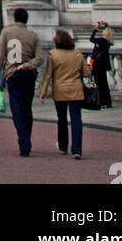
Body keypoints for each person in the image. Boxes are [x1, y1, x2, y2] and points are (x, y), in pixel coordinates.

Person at [0, 7, 45, 157]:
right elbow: (40, 58)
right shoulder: (33, 35)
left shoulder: (6, 33)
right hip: (28, 74)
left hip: (13, 74)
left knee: (17, 109)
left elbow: (0, 55)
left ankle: (24, 140)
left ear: (14, 19)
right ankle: (26, 137)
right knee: (27, 108)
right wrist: (29, 64)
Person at [39, 28, 88, 159]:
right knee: (76, 118)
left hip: (60, 90)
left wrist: (42, 91)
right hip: (76, 89)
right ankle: (77, 149)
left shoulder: (53, 54)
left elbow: (48, 74)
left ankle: (63, 145)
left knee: (61, 118)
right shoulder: (77, 53)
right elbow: (87, 72)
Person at [89, 22, 114, 108]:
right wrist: (106, 25)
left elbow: (91, 39)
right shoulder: (108, 42)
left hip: (98, 63)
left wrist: (95, 29)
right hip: (104, 63)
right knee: (104, 83)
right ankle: (107, 101)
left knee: (98, 83)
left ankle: (101, 100)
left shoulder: (101, 41)